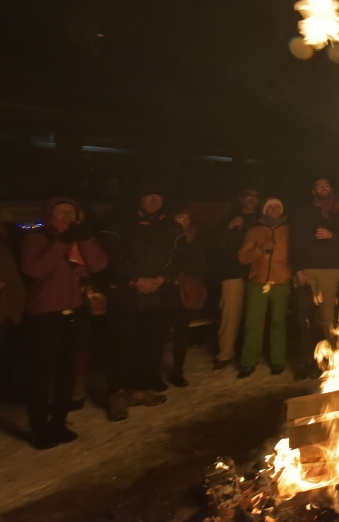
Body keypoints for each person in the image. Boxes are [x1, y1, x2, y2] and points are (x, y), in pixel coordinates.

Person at [20, 197, 107, 448]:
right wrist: (63, 242)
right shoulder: (36, 239)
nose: (68, 216)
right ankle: (38, 427)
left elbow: (98, 264)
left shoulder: (80, 238)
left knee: (68, 370)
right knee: (41, 373)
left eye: (72, 212)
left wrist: (86, 238)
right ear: (50, 215)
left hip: (76, 312)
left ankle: (58, 422)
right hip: (45, 315)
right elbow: (35, 270)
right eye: (61, 212)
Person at [101, 185, 183, 420]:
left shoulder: (171, 227)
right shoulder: (118, 224)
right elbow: (111, 255)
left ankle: (139, 390)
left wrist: (161, 278)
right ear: (139, 198)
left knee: (151, 346)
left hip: (158, 297)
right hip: (127, 297)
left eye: (158, 195)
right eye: (149, 195)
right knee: (121, 346)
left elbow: (178, 256)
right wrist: (134, 279)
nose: (154, 199)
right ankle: (117, 395)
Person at [237, 196, 291, 378]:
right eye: (271, 207)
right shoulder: (255, 230)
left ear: (281, 210)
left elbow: (296, 254)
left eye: (277, 207)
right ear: (264, 210)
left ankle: (278, 361)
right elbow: (243, 257)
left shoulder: (288, 231)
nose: (274, 210)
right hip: (258, 282)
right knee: (253, 323)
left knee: (278, 322)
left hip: (281, 281)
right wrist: (260, 249)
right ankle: (248, 362)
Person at [292, 178, 339, 340]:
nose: (323, 187)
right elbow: (295, 242)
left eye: (326, 185)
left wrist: (332, 236)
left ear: (331, 189)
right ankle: (308, 355)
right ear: (313, 191)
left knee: (327, 315)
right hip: (307, 270)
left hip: (330, 270)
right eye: (319, 185)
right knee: (306, 315)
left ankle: (328, 353)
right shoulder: (304, 212)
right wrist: (297, 269)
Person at [213, 186, 261, 371]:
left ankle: (252, 353)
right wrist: (228, 228)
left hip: (256, 273)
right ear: (241, 198)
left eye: (255, 196)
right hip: (232, 272)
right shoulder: (229, 219)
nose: (251, 199)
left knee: (255, 316)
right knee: (230, 315)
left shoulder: (260, 221)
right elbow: (216, 246)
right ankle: (225, 354)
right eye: (248, 195)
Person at [168, 206, 206, 388]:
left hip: (187, 291)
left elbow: (201, 263)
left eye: (186, 218)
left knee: (181, 332)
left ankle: (177, 371)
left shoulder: (196, 239)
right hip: (167, 290)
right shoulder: (166, 237)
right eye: (179, 217)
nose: (183, 221)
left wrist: (187, 278)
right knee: (158, 333)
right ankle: (151, 374)